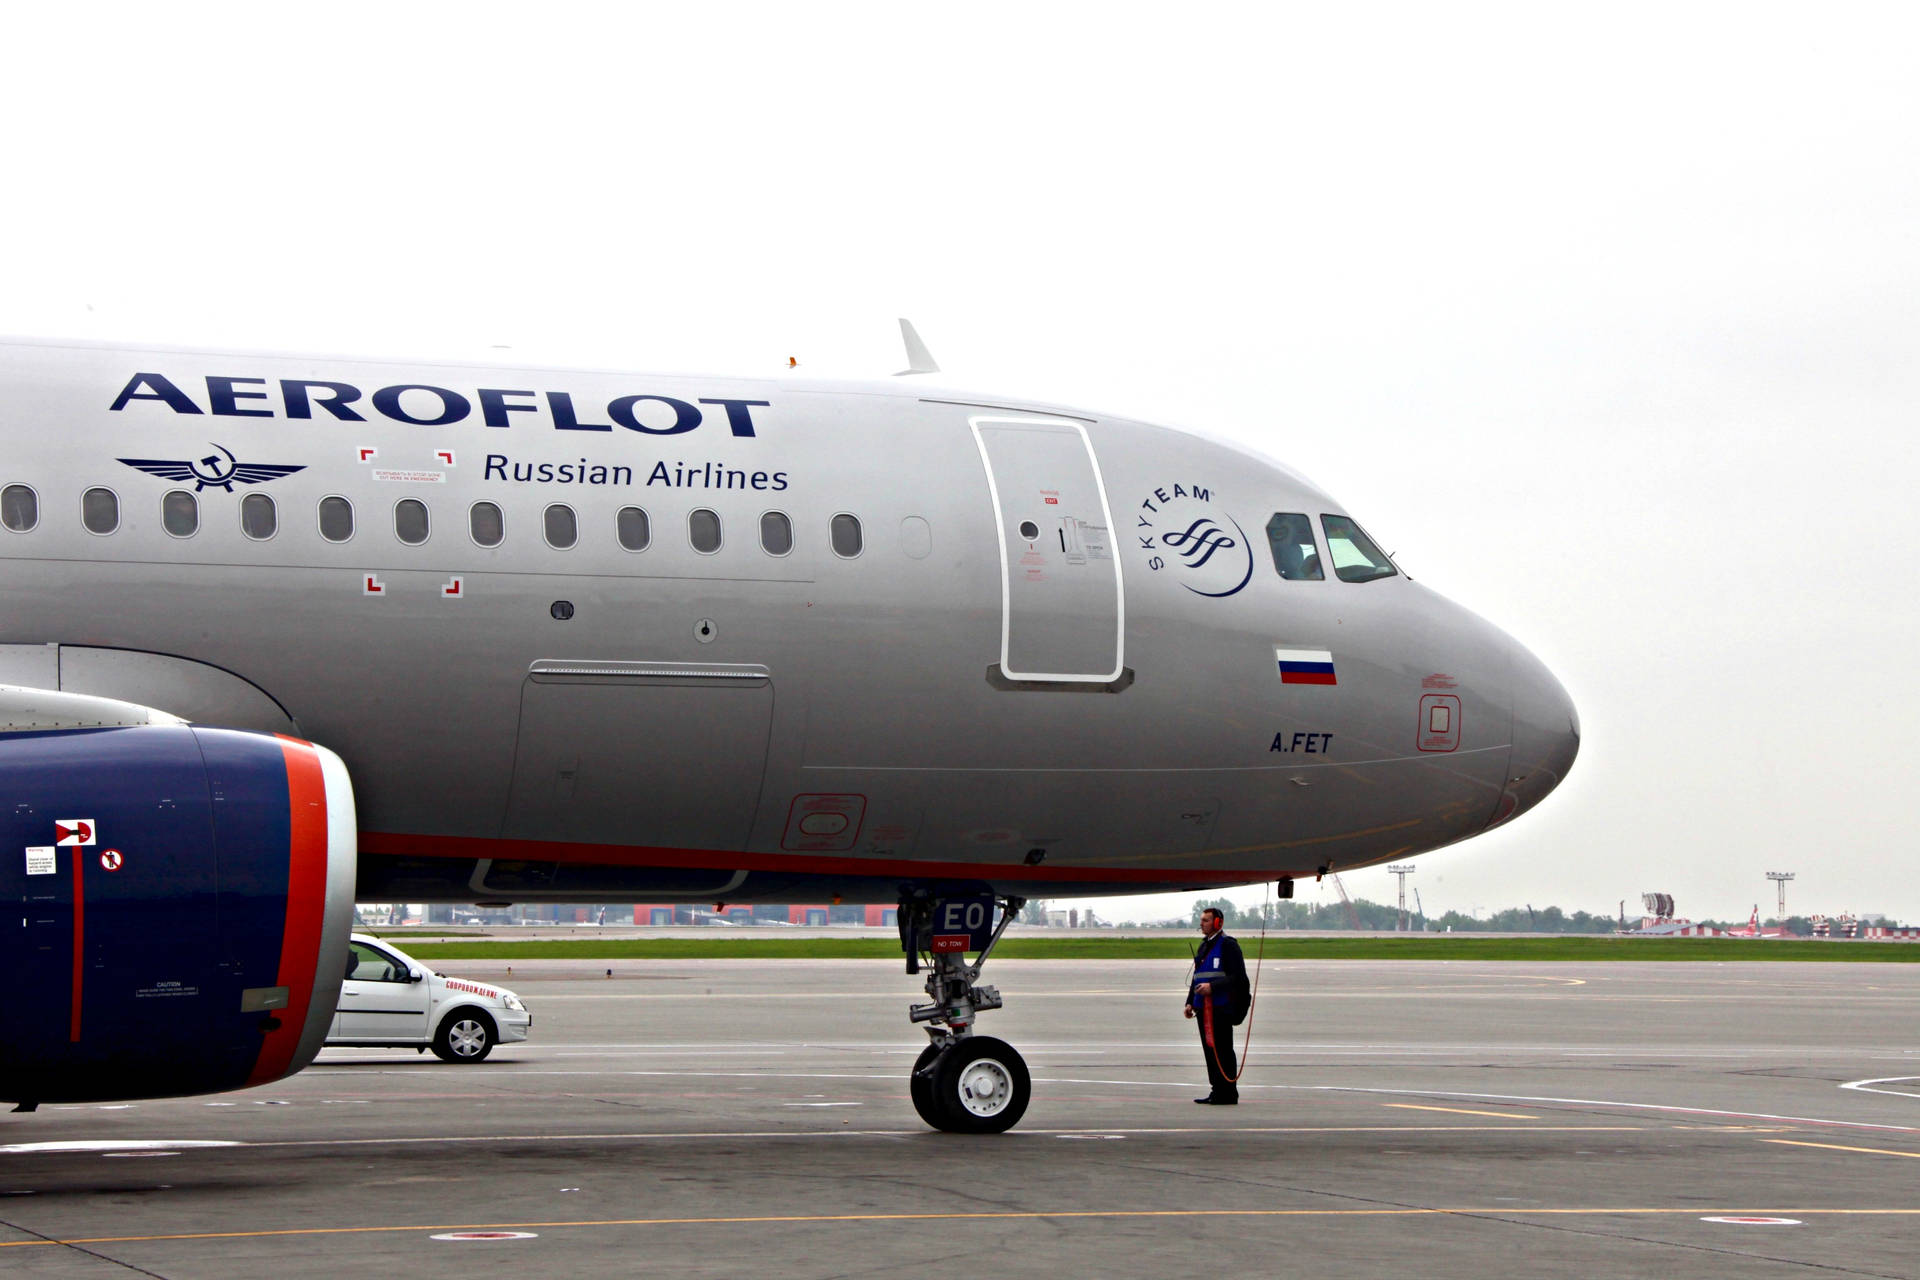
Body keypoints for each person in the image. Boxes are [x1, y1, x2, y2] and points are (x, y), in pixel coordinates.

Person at [1184, 907, 1250, 1104]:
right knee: (1209, 1050)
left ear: (1217, 923)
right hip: (1203, 1008)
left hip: (1221, 1007)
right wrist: (1189, 1002)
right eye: (1201, 920)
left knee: (1222, 1049)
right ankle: (1217, 1090)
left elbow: (1237, 977)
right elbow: (1198, 977)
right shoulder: (1204, 947)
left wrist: (1212, 987)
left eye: (1206, 920)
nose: (1201, 923)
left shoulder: (1228, 945)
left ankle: (1228, 1092)